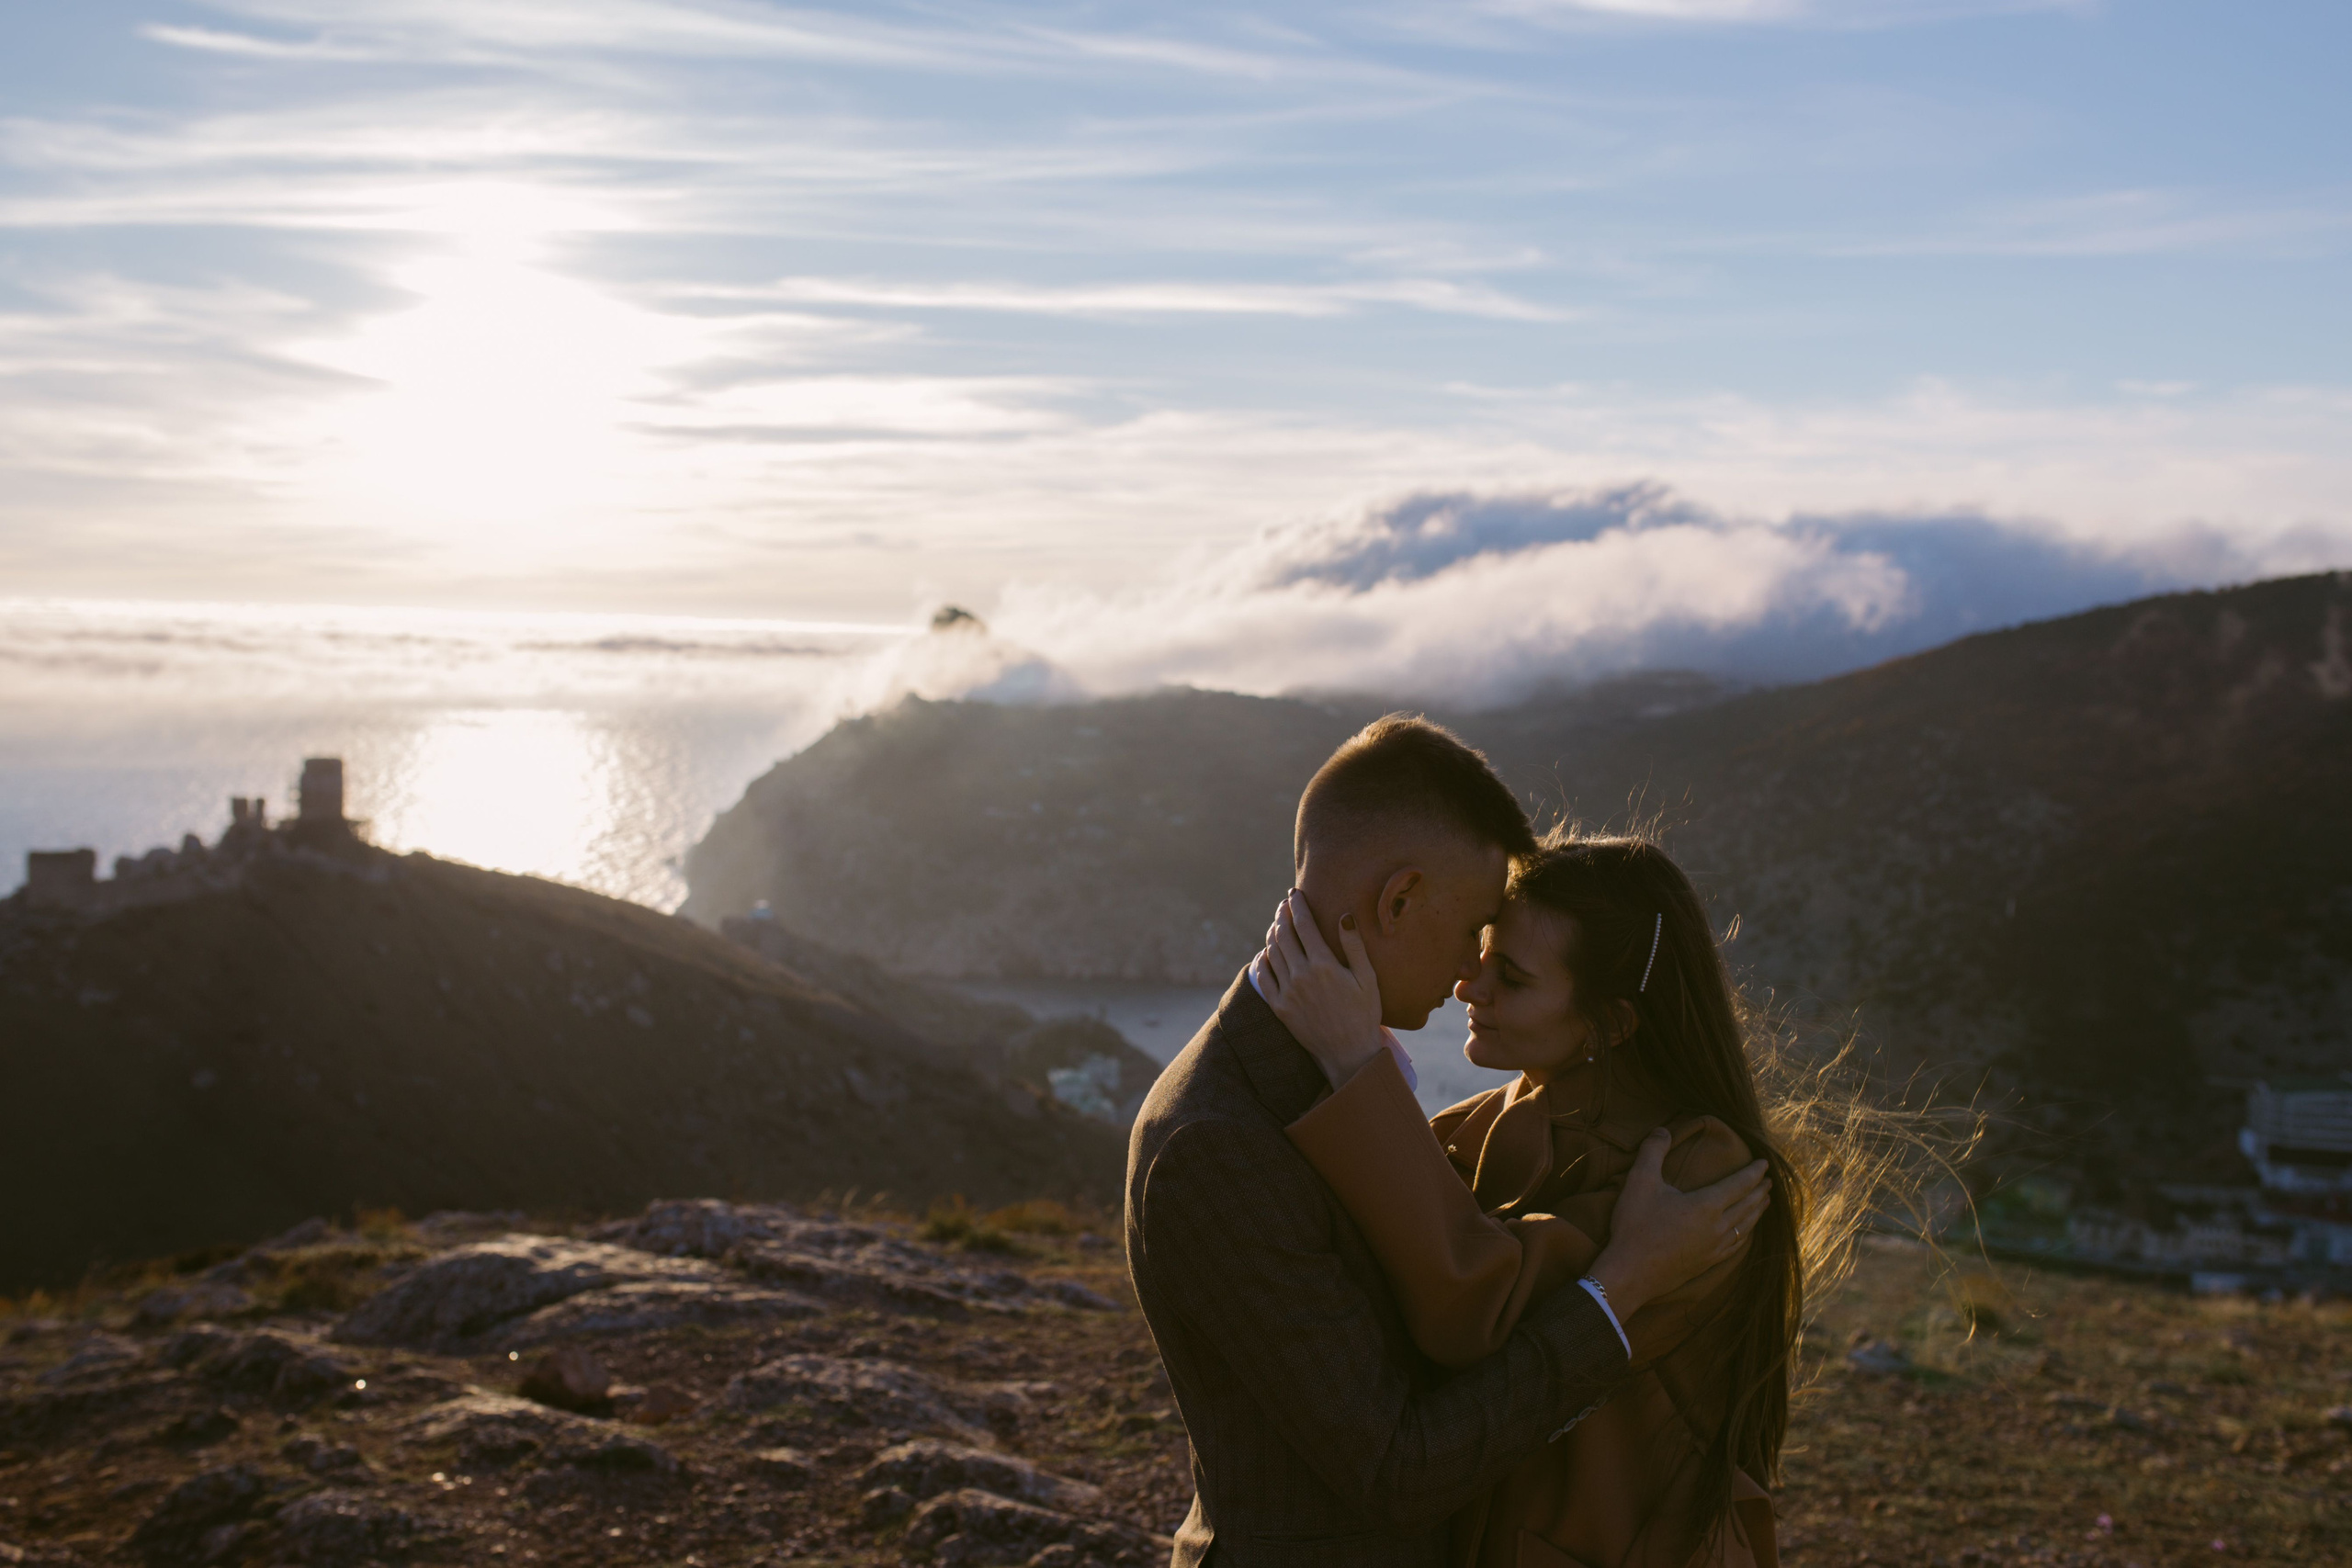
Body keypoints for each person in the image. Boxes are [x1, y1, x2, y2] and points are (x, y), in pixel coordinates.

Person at [1125, 716, 1772, 1567]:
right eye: (1475, 933)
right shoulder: (1218, 1142)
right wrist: (1620, 1288)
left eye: (1504, 963)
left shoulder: (1342, 1089)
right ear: (1398, 900)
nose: (1470, 975)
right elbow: (1400, 1466)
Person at [1255, 829, 1803, 1568]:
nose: (1468, 986)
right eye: (1481, 951)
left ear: (1608, 1025)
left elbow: (1473, 1303)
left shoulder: (1696, 1169)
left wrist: (1357, 1061)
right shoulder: (1504, 1115)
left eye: (1510, 976)